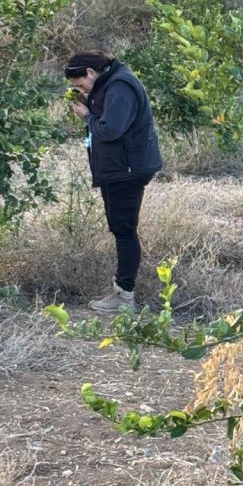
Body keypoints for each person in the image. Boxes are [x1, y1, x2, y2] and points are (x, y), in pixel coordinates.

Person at [65, 50, 163, 313]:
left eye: (81, 83)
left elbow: (110, 129)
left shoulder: (120, 86)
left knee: (124, 231)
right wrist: (92, 102)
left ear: (90, 72)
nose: (81, 88)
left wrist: (87, 115)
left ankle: (124, 298)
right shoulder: (112, 82)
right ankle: (122, 293)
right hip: (120, 168)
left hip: (127, 171)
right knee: (121, 229)